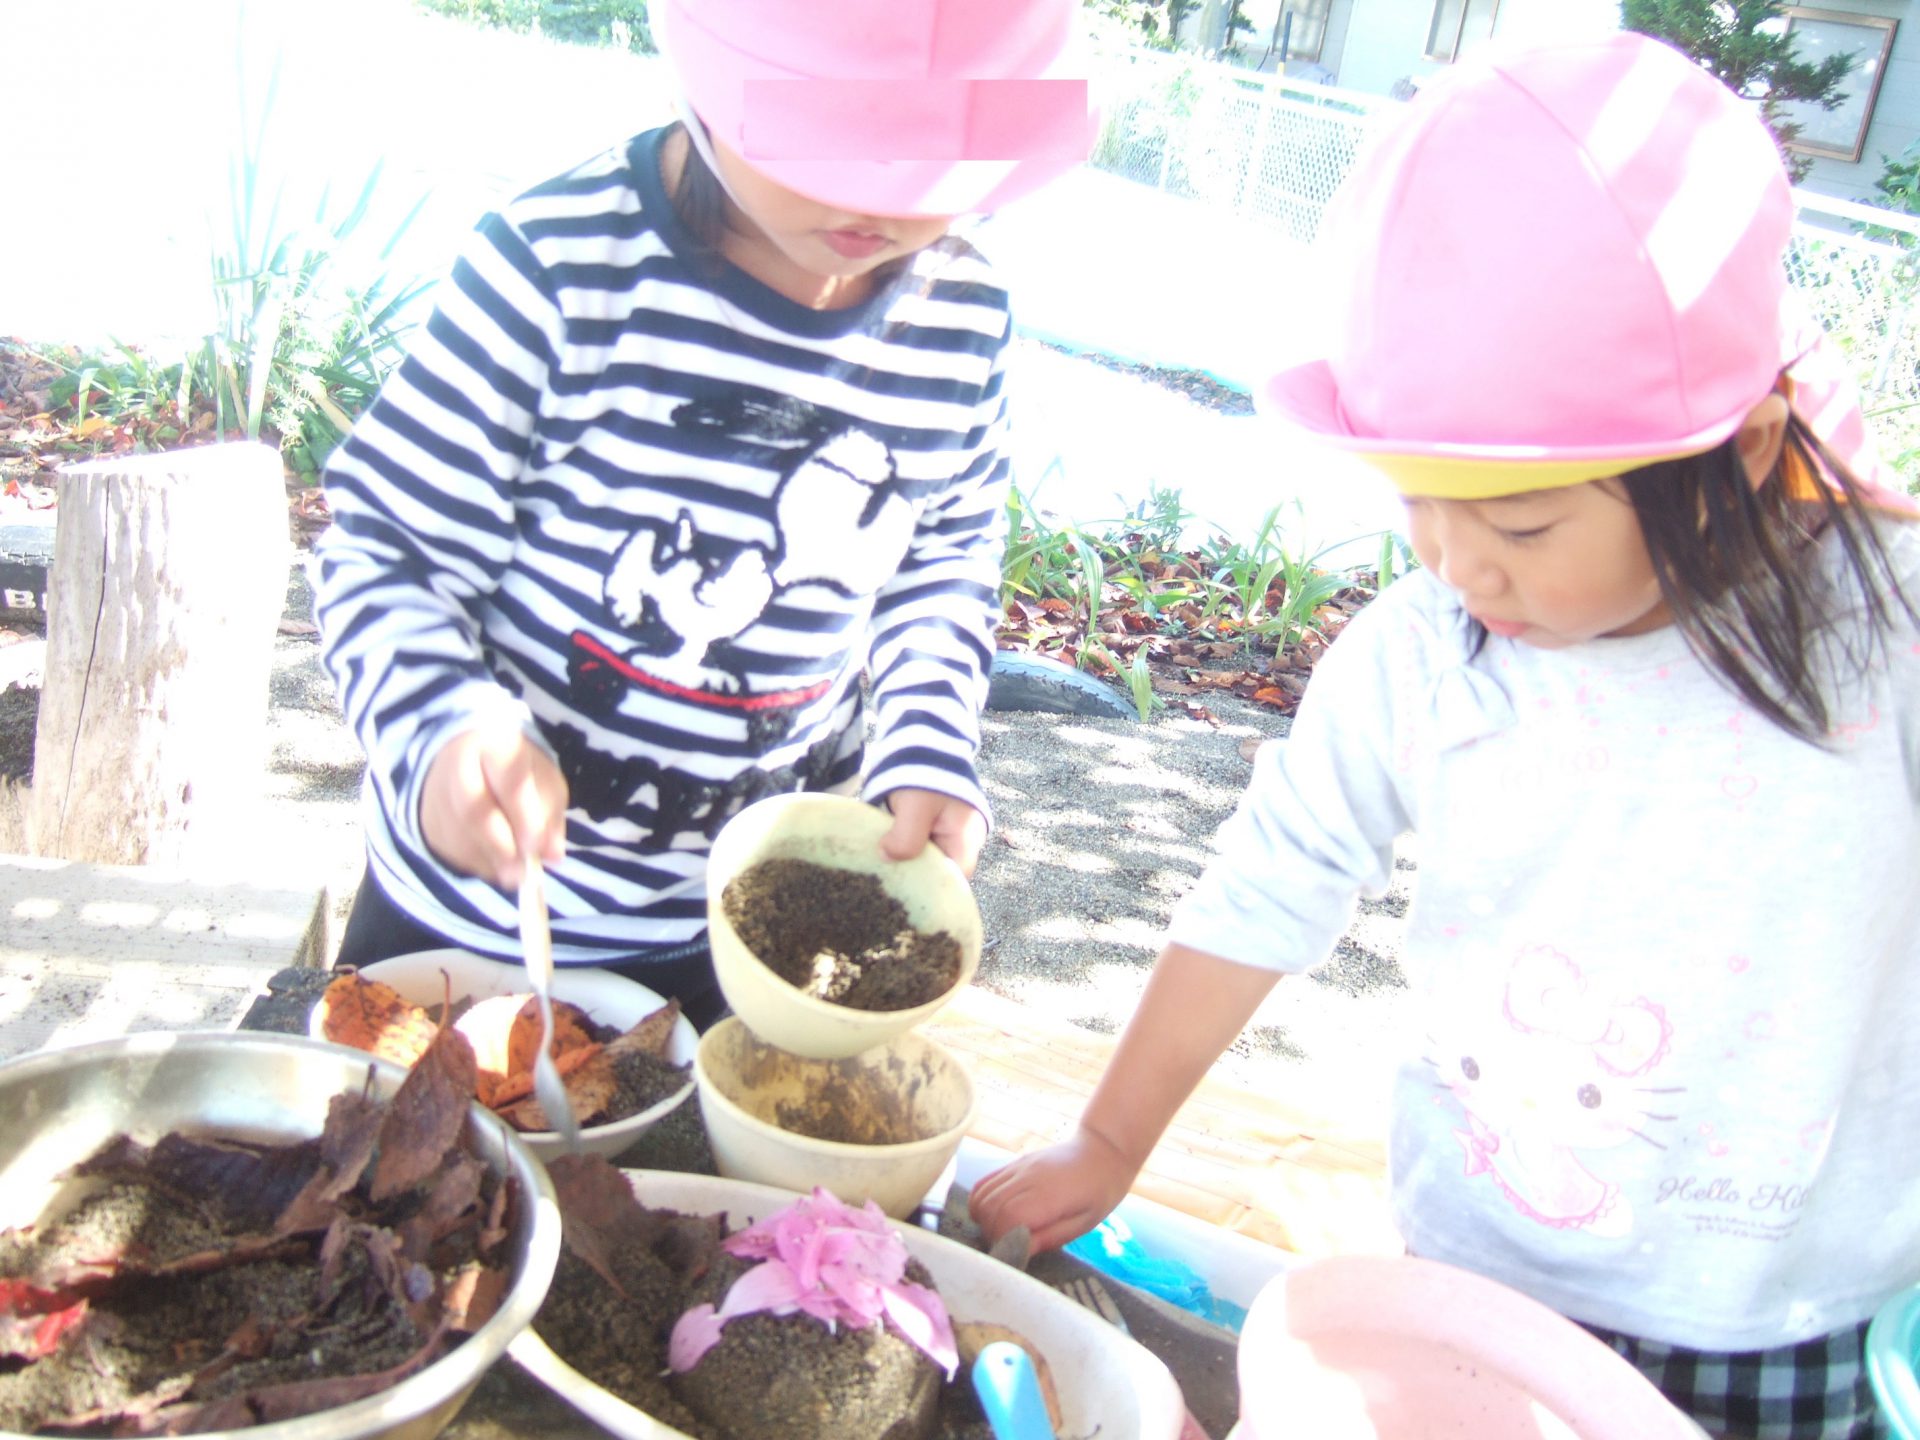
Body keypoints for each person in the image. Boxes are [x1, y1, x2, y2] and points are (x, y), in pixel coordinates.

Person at [970, 32, 1918, 1440]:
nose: (1461, 567)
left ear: (1751, 449)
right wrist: (1109, 1139)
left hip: (1789, 1319)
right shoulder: (1428, 650)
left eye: (1522, 525)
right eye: (1419, 503)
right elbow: (1273, 878)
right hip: (1485, 1274)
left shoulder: (1882, 631)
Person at [313, 0, 1093, 1025]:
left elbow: (941, 570)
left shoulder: (963, 317)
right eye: (829, 134)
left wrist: (927, 741)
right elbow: (386, 551)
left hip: (741, 929)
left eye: (934, 162)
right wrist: (438, 727)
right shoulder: (557, 263)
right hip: (471, 913)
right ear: (708, 70)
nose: (874, 200)